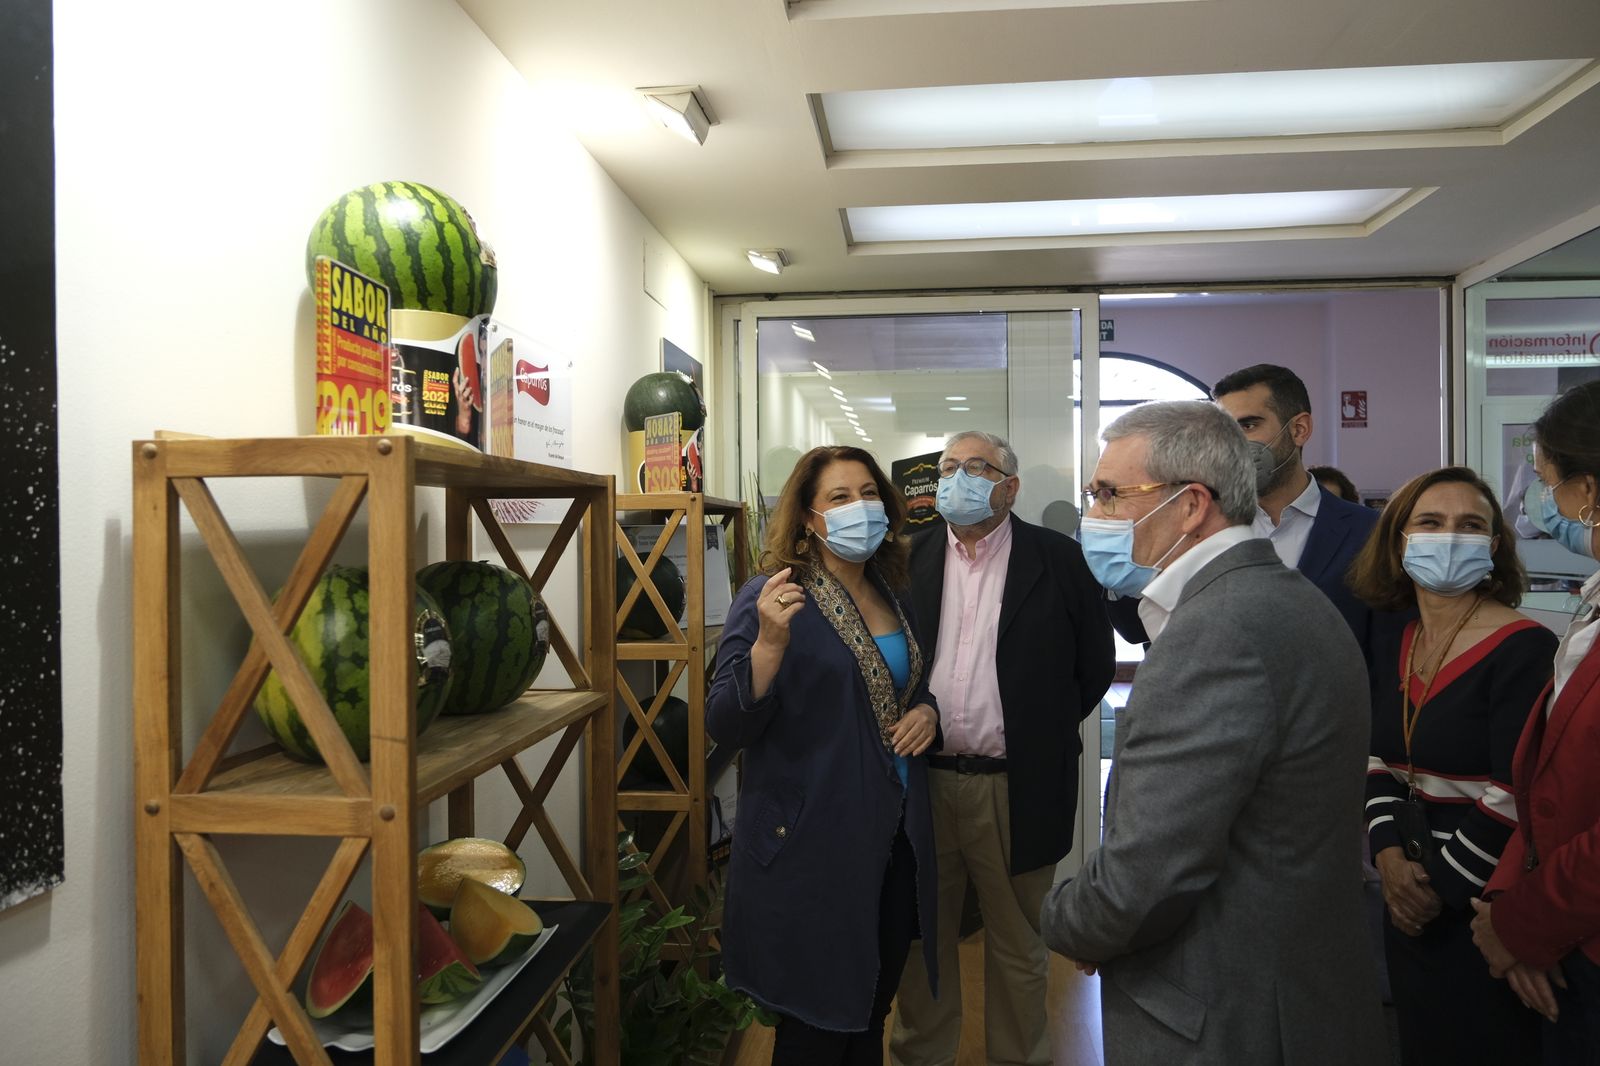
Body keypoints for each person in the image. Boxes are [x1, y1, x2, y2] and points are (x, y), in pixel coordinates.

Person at [1041, 400, 1386, 1065]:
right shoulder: (1273, 596)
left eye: (1110, 494)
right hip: (1279, 993)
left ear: (1192, 504)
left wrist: (1069, 922)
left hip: (1230, 1016)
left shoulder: (1220, 631)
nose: (1094, 514)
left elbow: (1146, 876)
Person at [707, 444, 941, 1066]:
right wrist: (769, 646)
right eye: (839, 497)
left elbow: (913, 687)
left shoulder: (895, 593)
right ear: (809, 517)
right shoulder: (772, 598)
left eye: (868, 494)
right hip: (811, 846)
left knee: (870, 1011)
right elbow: (725, 723)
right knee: (815, 1025)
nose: (858, 507)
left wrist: (927, 712)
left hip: (893, 839)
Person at [889, 431, 1114, 1066]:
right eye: (948, 468)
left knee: (1018, 944)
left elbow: (1094, 666)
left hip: (1017, 786)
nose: (957, 478)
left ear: (1009, 487)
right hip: (924, 783)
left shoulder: (1059, 560)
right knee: (923, 938)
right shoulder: (908, 557)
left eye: (974, 467)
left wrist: (1035, 730)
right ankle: (920, 1056)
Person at [1349, 466, 1554, 1064]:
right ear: (1400, 540)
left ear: (1494, 547)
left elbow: (1514, 791)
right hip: (1403, 897)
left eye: (1471, 526)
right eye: (1431, 522)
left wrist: (1433, 890)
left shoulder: (1525, 646)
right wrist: (1387, 856)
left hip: (1480, 911)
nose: (1450, 536)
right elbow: (1380, 756)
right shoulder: (1398, 639)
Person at [1471, 380, 1600, 1063]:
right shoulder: (1594, 600)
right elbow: (1547, 785)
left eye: (1547, 483)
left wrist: (1520, 925)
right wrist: (1503, 908)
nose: (1540, 505)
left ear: (1589, 491)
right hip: (1562, 934)